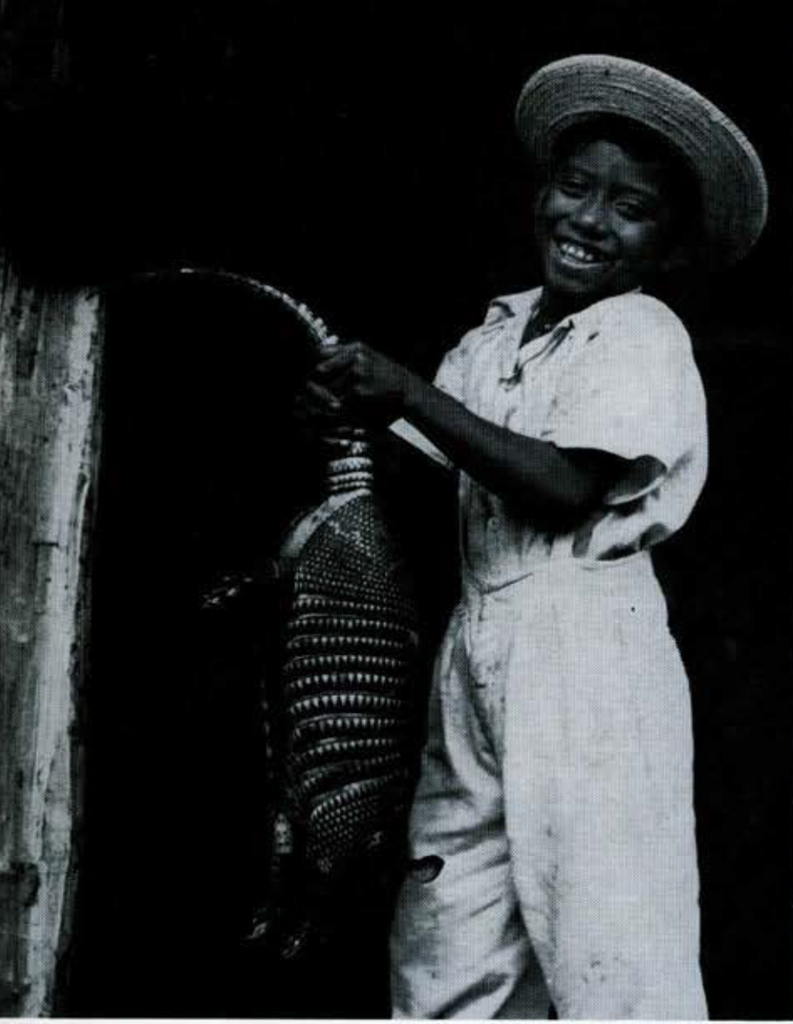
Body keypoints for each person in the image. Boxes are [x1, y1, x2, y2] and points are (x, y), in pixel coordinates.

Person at [298, 54, 767, 1019]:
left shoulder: (639, 334)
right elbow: (439, 488)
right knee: (448, 938)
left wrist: (409, 395)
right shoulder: (491, 338)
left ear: (669, 247)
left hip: (586, 653)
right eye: (575, 185)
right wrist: (349, 421)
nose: (589, 220)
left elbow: (561, 488)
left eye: (629, 207)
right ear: (541, 189)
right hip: (479, 648)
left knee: (605, 939)